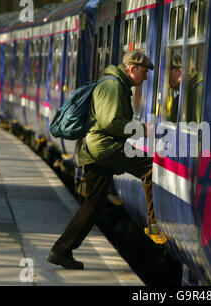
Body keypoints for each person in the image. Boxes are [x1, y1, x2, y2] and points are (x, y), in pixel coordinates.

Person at [47, 51, 161, 270]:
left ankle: (61, 251)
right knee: (149, 166)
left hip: (98, 149)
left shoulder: (115, 84)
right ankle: (154, 223)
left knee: (94, 206)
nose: (145, 79)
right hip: (104, 150)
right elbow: (110, 123)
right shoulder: (113, 87)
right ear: (132, 69)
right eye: (144, 73)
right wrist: (142, 129)